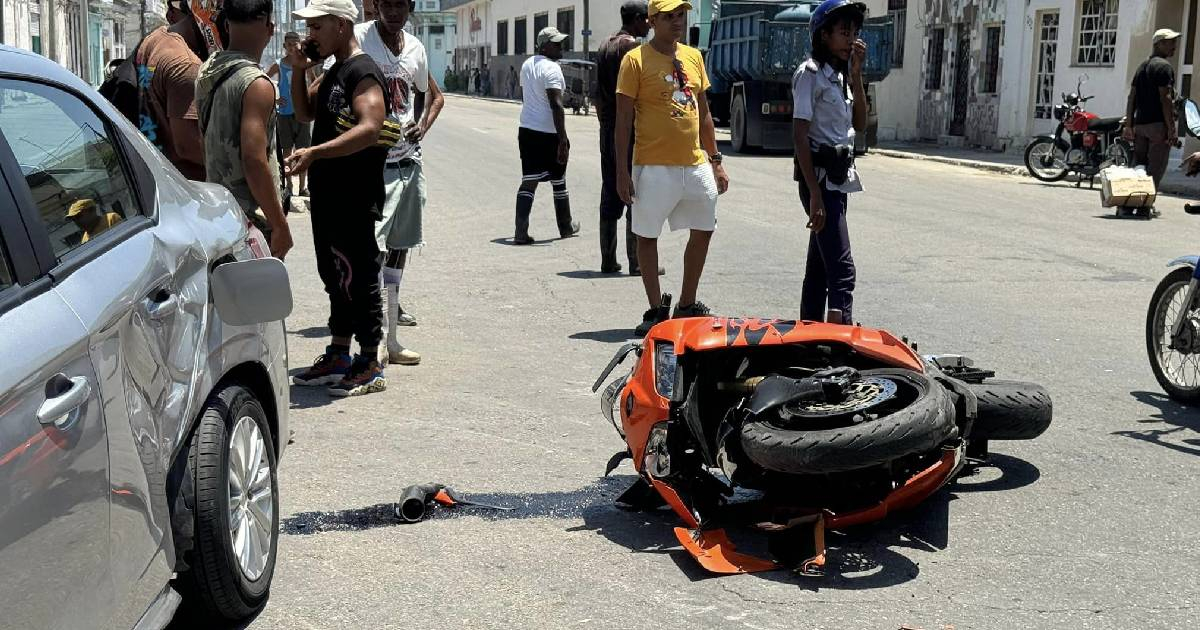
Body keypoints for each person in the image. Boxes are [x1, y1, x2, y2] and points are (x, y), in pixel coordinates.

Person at [287, 0, 392, 397]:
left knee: (360, 274)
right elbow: (303, 113)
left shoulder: (362, 71)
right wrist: (298, 70)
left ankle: (369, 361)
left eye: (317, 27)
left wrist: (315, 153)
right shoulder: (334, 71)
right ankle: (339, 353)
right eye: (309, 28)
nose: (310, 35)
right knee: (336, 276)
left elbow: (370, 127)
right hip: (329, 195)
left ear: (342, 25)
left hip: (353, 194)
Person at [615, 0, 728, 335]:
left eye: (681, 15)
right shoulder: (635, 61)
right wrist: (622, 172)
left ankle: (686, 303)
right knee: (646, 235)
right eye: (669, 17)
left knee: (705, 225)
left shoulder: (693, 57)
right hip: (653, 165)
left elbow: (704, 113)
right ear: (652, 20)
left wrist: (716, 160)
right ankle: (654, 310)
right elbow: (623, 121)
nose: (677, 22)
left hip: (693, 163)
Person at [355, 0, 446, 365]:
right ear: (376, 5)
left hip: (407, 164)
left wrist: (421, 126)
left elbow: (430, 95)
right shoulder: (360, 39)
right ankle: (372, 338)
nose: (392, 11)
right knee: (370, 254)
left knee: (398, 250)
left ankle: (391, 339)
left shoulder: (416, 48)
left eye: (400, 4)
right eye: (385, 3)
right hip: (369, 166)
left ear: (410, 7)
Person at [195, 0, 293, 260]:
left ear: (227, 25)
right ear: (270, 28)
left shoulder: (208, 70)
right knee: (262, 298)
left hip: (218, 214)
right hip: (251, 226)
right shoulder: (257, 85)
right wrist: (279, 224)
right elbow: (253, 160)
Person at [792, 0, 867, 325]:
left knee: (820, 269)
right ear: (824, 35)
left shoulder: (840, 76)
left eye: (853, 32)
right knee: (842, 270)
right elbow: (800, 136)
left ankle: (807, 337)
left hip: (839, 179)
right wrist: (815, 196)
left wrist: (857, 75)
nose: (851, 38)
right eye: (843, 32)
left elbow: (862, 124)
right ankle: (840, 341)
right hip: (820, 181)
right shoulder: (810, 75)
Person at [595, 0, 652, 275]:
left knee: (610, 188)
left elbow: (598, 94)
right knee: (633, 189)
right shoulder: (633, 48)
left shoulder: (605, 45)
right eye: (647, 20)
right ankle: (636, 261)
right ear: (637, 19)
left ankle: (608, 259)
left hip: (607, 127)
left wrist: (606, 124)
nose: (650, 25)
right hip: (628, 129)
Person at [513, 26, 580, 244]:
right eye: (557, 43)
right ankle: (566, 226)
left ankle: (520, 232)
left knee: (529, 180)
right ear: (544, 46)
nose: (561, 47)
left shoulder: (526, 65)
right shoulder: (552, 69)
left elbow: (527, 97)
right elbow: (556, 105)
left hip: (527, 130)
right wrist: (562, 139)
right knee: (559, 179)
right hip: (548, 133)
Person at [134, 1, 209, 179]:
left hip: (157, 173)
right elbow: (188, 146)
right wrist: (245, 163)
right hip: (185, 186)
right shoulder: (186, 65)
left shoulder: (156, 38)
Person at [1123, 28, 1181, 217]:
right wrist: (1171, 129)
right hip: (1157, 126)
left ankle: (1128, 203)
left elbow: (1132, 97)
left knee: (1138, 167)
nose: (1174, 46)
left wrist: (1129, 125)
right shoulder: (1164, 67)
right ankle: (1144, 206)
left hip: (1140, 126)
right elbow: (1165, 99)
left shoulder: (1142, 67)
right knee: (1155, 168)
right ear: (1159, 44)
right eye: (1170, 42)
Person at [267, 32, 315, 197]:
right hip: (284, 113)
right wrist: (275, 98)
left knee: (303, 150)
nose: (293, 47)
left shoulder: (305, 64)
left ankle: (303, 187)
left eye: (296, 44)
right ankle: (289, 186)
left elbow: (314, 82)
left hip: (302, 112)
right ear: (284, 47)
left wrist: (310, 99)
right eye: (289, 44)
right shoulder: (279, 64)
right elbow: (264, 80)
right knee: (286, 150)